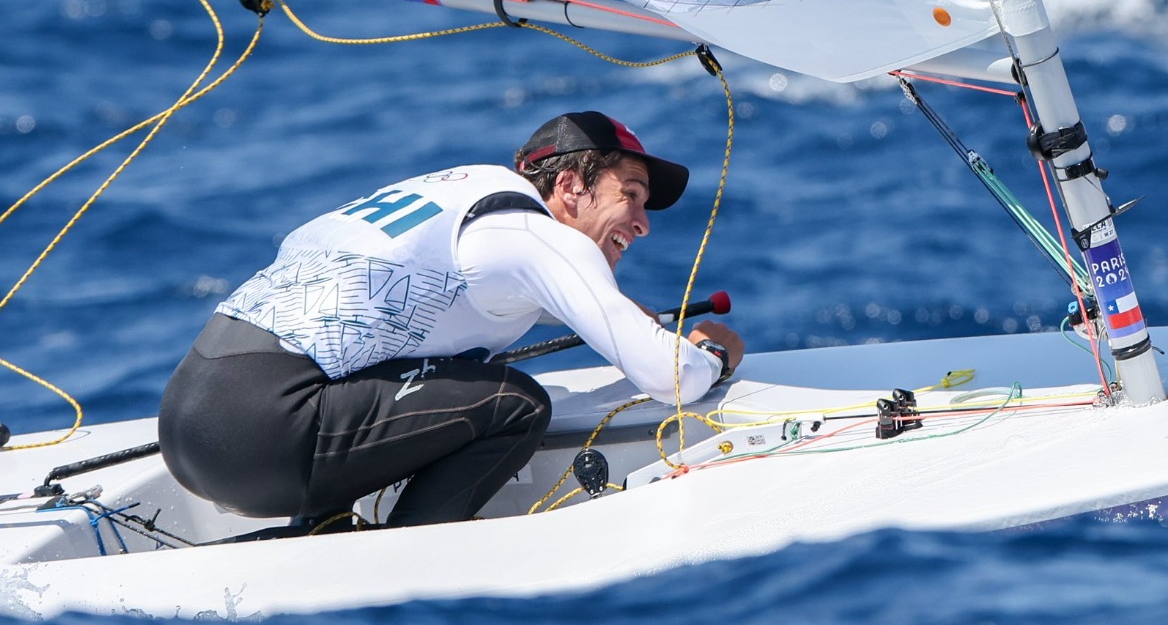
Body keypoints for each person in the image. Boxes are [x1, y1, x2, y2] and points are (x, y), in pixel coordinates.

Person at [158, 111, 744, 531]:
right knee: (513, 403)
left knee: (426, 379)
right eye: (632, 194)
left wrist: (618, 312)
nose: (642, 223)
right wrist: (710, 354)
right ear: (569, 184)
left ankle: (321, 532)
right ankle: (407, 554)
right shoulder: (531, 234)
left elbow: (483, 295)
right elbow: (671, 378)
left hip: (192, 421)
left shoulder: (461, 194)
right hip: (265, 435)